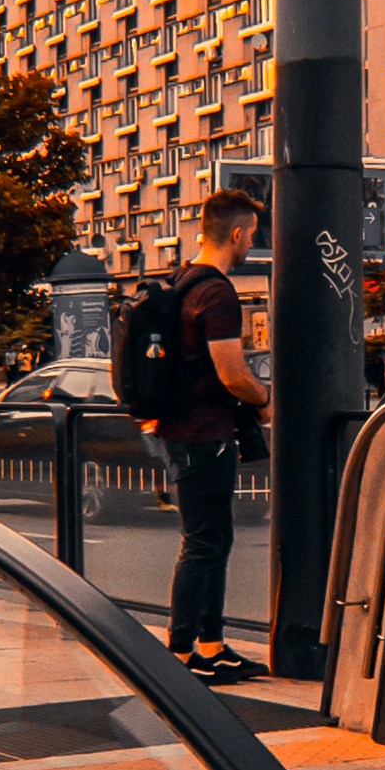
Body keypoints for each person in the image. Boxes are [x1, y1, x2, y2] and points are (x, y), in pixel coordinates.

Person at [112, 165, 264, 660]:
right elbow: (232, 373)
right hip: (205, 435)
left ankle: (207, 643)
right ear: (237, 233)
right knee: (205, 544)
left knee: (208, 541)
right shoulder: (217, 292)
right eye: (251, 236)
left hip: (182, 429)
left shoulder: (182, 281)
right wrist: (264, 398)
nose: (250, 245)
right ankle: (187, 650)